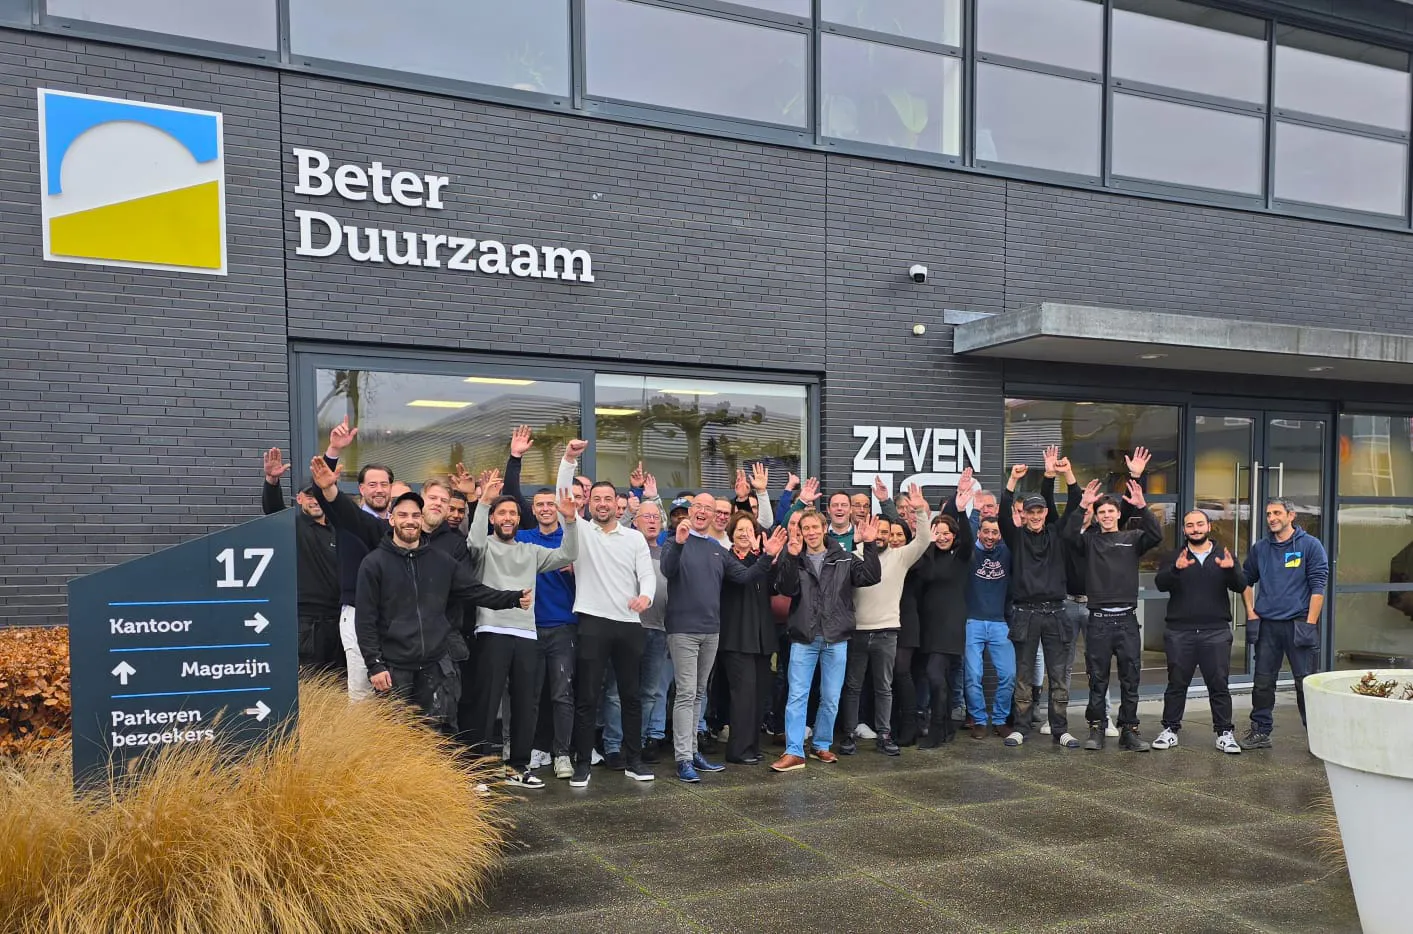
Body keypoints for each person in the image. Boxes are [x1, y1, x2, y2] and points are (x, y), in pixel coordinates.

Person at [351, 488, 529, 732]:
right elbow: (365, 620)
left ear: (422, 520)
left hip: (435, 666)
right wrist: (374, 665)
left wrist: (513, 598)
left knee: (436, 738)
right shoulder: (373, 564)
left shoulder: (441, 561)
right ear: (392, 519)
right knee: (392, 739)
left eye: (415, 515)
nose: (410, 521)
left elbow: (474, 591)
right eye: (403, 515)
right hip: (394, 668)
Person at [464, 470, 579, 788]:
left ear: (518, 519)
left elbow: (568, 555)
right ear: (493, 518)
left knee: (526, 704)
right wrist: (483, 504)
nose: (508, 517)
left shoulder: (530, 550)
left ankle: (518, 767)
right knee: (486, 703)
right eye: (502, 512)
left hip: (527, 635)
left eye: (512, 513)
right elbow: (471, 545)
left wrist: (570, 522)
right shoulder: (484, 546)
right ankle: (479, 770)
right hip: (491, 631)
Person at [662, 494, 786, 782]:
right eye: (699, 507)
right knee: (686, 693)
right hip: (683, 629)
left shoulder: (717, 548)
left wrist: (767, 556)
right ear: (690, 512)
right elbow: (668, 569)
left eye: (708, 508)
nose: (703, 512)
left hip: (712, 630)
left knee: (698, 693)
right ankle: (682, 758)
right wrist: (679, 543)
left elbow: (745, 577)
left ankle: (692, 752)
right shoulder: (675, 540)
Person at [560, 444, 658, 788]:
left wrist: (646, 595)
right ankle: (583, 763)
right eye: (596, 499)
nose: (602, 504)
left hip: (629, 626)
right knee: (587, 697)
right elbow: (562, 492)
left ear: (616, 504)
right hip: (592, 623)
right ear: (589, 503)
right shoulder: (581, 531)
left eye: (607, 499)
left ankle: (634, 761)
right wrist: (569, 460)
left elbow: (646, 574)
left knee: (631, 696)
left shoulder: (633, 538)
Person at [769, 511, 882, 772]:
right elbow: (785, 589)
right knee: (797, 696)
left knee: (830, 697)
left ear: (824, 528)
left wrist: (870, 544)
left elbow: (870, 576)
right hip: (804, 638)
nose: (809, 532)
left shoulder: (843, 558)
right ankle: (794, 751)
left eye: (814, 527)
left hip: (835, 638)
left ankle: (821, 744)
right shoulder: (795, 556)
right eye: (804, 527)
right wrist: (790, 556)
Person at [1063, 478, 1163, 751]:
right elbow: (1068, 537)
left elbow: (1156, 536)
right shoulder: (1090, 541)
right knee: (1098, 678)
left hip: (1127, 620)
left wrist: (1142, 507)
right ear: (1096, 517)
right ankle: (1096, 729)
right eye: (1101, 513)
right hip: (1099, 621)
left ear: (1119, 514)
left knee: (1131, 678)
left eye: (1110, 512)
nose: (1106, 516)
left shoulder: (1133, 538)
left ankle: (1129, 731)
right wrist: (1082, 505)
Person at [840, 481, 932, 757]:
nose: (879, 535)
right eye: (874, 530)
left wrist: (920, 512)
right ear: (863, 530)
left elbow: (924, 540)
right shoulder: (852, 557)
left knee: (884, 688)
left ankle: (884, 734)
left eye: (883, 532)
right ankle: (848, 735)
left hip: (887, 633)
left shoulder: (900, 557)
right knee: (853, 687)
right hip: (857, 632)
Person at [1000, 447, 1083, 748]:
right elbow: (1002, 511)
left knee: (1058, 675)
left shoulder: (1057, 535)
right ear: (1023, 514)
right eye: (1029, 512)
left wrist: (1064, 475)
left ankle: (1060, 729)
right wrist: (1012, 480)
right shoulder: (1016, 536)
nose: (1034, 516)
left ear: (1046, 512)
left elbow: (1075, 503)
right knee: (1023, 675)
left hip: (1056, 613)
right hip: (1025, 613)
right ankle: (1021, 727)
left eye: (1039, 511)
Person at [1152, 510, 1246, 754]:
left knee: (1218, 684)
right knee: (1176, 683)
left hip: (1215, 631)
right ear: (1184, 530)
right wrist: (1176, 569)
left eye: (1199, 524)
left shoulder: (1224, 555)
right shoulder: (1174, 556)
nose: (1195, 529)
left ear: (1209, 526)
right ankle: (1170, 730)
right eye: (1190, 525)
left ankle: (1224, 733)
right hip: (1179, 632)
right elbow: (1161, 584)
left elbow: (1240, 585)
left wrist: (1230, 569)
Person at [1240, 498, 1329, 750]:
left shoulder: (1310, 546)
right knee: (1263, 681)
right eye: (1268, 514)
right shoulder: (1261, 548)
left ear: (1291, 516)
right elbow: (1245, 580)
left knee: (1305, 682)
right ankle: (1260, 731)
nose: (1272, 518)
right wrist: (1251, 612)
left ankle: (1318, 736)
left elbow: (1318, 586)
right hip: (1268, 624)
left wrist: (1310, 622)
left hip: (1298, 623)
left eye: (1277, 513)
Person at [317, 416, 392, 700]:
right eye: (372, 484)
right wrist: (333, 452)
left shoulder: (401, 526)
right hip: (357, 611)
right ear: (361, 489)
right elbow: (327, 496)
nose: (379, 489)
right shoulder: (350, 519)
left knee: (393, 695)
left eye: (384, 484)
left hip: (394, 615)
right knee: (362, 692)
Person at [261, 447, 341, 672]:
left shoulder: (340, 528)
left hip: (339, 620)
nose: (315, 501)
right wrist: (272, 481)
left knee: (340, 683)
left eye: (319, 495)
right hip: (306, 622)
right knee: (310, 682)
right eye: (309, 496)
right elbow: (273, 510)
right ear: (299, 499)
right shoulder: (293, 526)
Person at [719, 512, 779, 765]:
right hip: (737, 639)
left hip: (762, 639)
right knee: (743, 696)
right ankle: (738, 750)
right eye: (739, 530)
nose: (744, 534)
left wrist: (773, 559)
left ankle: (753, 746)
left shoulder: (760, 560)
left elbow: (774, 586)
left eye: (749, 530)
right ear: (731, 534)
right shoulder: (726, 558)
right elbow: (744, 575)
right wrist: (764, 558)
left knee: (758, 695)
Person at [913, 514, 973, 746]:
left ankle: (937, 731)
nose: (942, 537)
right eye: (938, 532)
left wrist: (962, 510)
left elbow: (968, 540)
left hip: (950, 626)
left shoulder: (959, 557)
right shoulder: (926, 556)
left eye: (947, 532)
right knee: (941, 679)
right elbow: (921, 571)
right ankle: (948, 726)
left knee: (935, 676)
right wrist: (928, 539)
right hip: (927, 626)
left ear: (954, 535)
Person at [962, 515, 1018, 743]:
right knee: (973, 675)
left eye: (995, 532)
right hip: (972, 621)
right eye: (986, 531)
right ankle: (978, 719)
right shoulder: (970, 554)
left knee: (1008, 674)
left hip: (999, 623)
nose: (990, 536)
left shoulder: (1007, 553)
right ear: (978, 532)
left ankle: (1000, 720)